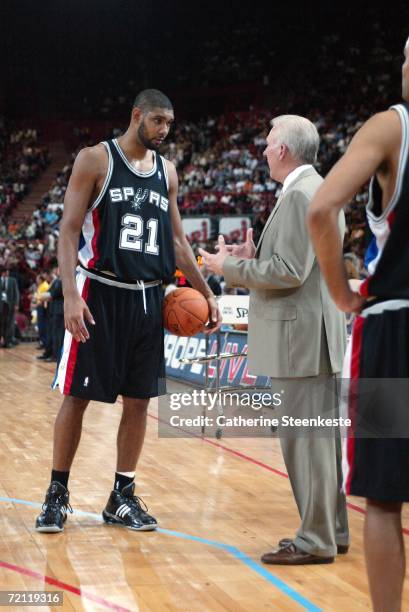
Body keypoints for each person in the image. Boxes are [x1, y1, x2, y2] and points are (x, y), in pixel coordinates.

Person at [35, 89, 221, 533]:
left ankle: (121, 495)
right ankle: (56, 494)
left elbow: (177, 244)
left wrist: (207, 292)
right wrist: (71, 295)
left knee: (139, 402)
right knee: (77, 397)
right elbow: (68, 230)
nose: (163, 130)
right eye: (157, 121)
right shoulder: (95, 160)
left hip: (149, 298)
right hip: (99, 293)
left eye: (169, 124)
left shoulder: (168, 172)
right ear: (136, 115)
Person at [200, 115, 348, 564]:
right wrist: (254, 255)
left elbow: (288, 272)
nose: (263, 151)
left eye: (267, 144)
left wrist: (228, 268)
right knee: (320, 446)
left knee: (307, 445)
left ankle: (314, 541)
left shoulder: (302, 192)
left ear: (283, 150)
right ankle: (331, 531)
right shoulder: (311, 188)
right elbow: (294, 263)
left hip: (301, 341)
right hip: (311, 336)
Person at [308, 38, 409, 612]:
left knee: (385, 498)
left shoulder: (391, 127)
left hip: (395, 325)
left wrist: (343, 293)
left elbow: (322, 209)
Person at [0, 267, 20, 348]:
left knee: (9, 324)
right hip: (1, 305)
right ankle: (1, 341)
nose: (7, 274)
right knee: (1, 324)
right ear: (2, 273)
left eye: (8, 272)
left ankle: (8, 342)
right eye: (5, 272)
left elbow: (16, 293)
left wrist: (16, 304)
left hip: (10, 305)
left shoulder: (13, 280)